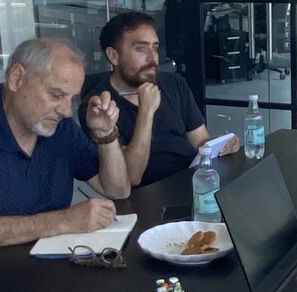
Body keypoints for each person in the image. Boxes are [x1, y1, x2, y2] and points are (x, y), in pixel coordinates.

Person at [0, 37, 130, 255]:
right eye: (56, 95)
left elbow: (117, 190)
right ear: (17, 79)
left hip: (53, 264)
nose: (66, 111)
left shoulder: (61, 128)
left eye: (72, 99)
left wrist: (105, 133)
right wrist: (64, 221)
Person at [81, 11, 239, 189]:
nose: (152, 58)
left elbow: (200, 142)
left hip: (191, 181)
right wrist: (146, 112)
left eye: (155, 48)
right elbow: (130, 178)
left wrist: (223, 144)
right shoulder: (99, 108)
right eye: (140, 49)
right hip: (148, 196)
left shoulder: (173, 83)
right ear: (113, 56)